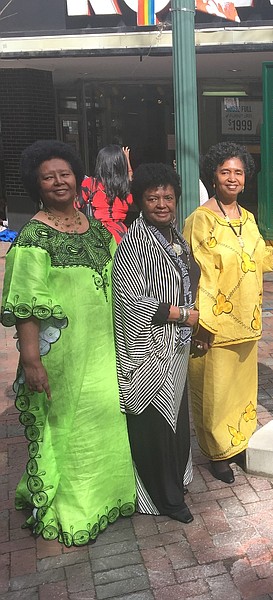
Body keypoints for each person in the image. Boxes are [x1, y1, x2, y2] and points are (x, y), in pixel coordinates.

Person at [1, 140, 136, 545]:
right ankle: (72, 507)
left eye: (65, 174)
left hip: (104, 348)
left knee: (106, 419)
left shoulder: (94, 228)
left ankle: (110, 494)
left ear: (77, 177)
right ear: (36, 185)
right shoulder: (32, 238)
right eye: (48, 177)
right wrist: (30, 360)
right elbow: (25, 305)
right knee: (68, 425)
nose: (59, 182)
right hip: (62, 354)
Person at [184, 142, 273, 483]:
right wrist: (203, 324)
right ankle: (217, 453)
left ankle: (239, 443)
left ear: (246, 180)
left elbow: (259, 258)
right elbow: (195, 275)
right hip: (213, 326)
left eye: (238, 173)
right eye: (225, 172)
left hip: (248, 320)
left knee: (242, 391)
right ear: (213, 177)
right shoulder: (199, 221)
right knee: (214, 392)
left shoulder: (247, 219)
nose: (232, 178)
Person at [112, 163, 199, 524]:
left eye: (167, 196)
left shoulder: (173, 235)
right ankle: (163, 499)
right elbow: (129, 302)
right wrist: (181, 315)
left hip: (173, 348)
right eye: (152, 198)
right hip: (149, 352)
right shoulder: (136, 242)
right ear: (140, 201)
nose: (161, 203)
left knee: (175, 420)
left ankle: (175, 483)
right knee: (156, 424)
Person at [76, 144, 133, 243]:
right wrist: (126, 160)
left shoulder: (91, 183)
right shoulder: (125, 187)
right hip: (121, 235)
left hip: (98, 234)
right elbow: (129, 177)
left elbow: (75, 206)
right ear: (120, 165)